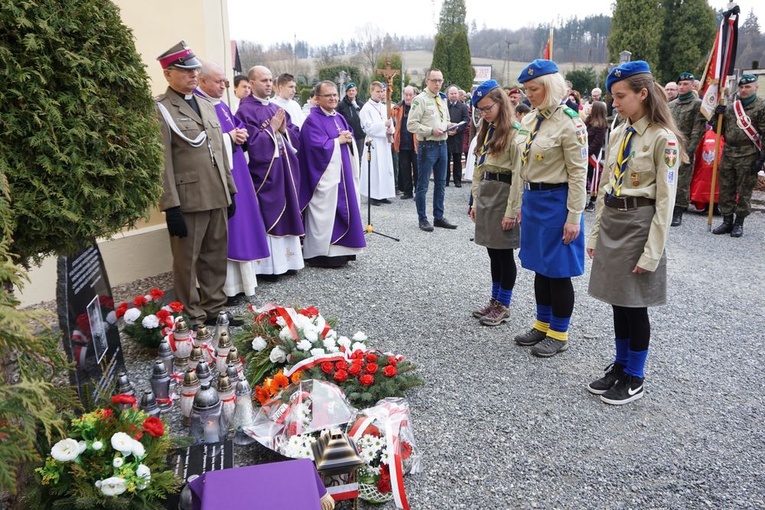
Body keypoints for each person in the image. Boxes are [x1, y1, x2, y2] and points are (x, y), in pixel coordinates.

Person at [586, 61, 681, 405]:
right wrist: (595, 235)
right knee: (617, 300)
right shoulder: (619, 133)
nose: (615, 103)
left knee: (635, 305)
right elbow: (605, 188)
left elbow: (665, 203)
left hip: (640, 226)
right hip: (614, 222)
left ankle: (635, 376)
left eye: (621, 96)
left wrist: (652, 252)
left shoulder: (662, 139)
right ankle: (621, 366)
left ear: (643, 94)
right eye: (612, 96)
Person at [154, 41, 238, 328]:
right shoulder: (161, 109)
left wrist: (230, 189)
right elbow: (162, 161)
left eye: (194, 70)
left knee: (215, 255)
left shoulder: (205, 103)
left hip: (216, 192)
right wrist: (170, 205)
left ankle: (215, 308)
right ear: (168, 74)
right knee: (187, 262)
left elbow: (219, 150)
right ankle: (192, 314)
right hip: (188, 198)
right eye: (185, 71)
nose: (192, 75)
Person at [512, 59, 588, 358]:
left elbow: (578, 174)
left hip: (558, 202)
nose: (530, 94)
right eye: (527, 89)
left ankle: (559, 332)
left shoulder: (571, 122)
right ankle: (541, 324)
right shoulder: (530, 120)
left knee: (558, 271)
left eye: (535, 89)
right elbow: (522, 166)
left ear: (552, 87)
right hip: (534, 201)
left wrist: (574, 217)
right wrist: (519, 203)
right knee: (539, 268)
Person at [196, 62, 270, 303]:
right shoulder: (198, 104)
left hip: (237, 172)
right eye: (218, 81)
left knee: (242, 224)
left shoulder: (221, 105)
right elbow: (199, 141)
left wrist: (241, 134)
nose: (223, 86)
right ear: (202, 81)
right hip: (218, 178)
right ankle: (225, 289)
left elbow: (235, 127)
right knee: (227, 231)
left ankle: (240, 285)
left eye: (224, 81)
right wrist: (230, 137)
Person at [235, 65, 305, 278]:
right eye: (263, 80)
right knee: (268, 213)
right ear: (252, 83)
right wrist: (270, 130)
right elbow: (250, 145)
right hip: (264, 175)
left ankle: (289, 261)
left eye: (269, 80)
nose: (268, 84)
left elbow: (294, 135)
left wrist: (283, 130)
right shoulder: (244, 110)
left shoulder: (276, 108)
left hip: (283, 169)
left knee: (288, 209)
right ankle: (269, 268)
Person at [468, 80, 523, 326]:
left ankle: (504, 304)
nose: (484, 113)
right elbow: (480, 169)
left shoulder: (514, 132)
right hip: (488, 193)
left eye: (487, 108)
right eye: (480, 110)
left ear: (500, 103)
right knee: (492, 252)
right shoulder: (487, 130)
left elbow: (519, 175)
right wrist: (475, 201)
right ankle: (494, 299)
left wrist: (512, 210)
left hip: (503, 194)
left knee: (503, 254)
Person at [298, 81, 366, 267]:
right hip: (324, 178)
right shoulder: (312, 120)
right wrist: (337, 141)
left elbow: (348, 135)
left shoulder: (339, 117)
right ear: (317, 98)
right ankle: (322, 254)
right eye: (328, 95)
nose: (333, 98)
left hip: (342, 175)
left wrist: (348, 139)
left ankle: (344, 251)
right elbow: (315, 148)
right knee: (327, 214)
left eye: (335, 95)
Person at [711, 74, 765, 238]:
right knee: (726, 188)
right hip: (729, 152)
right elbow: (717, 130)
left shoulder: (761, 107)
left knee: (744, 191)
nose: (743, 90)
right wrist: (716, 116)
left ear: (756, 87)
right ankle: (727, 221)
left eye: (747, 87)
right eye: (741, 87)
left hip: (748, 154)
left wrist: (761, 159)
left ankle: (739, 223)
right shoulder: (731, 107)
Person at [407, 68, 458, 232]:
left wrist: (450, 127)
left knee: (441, 183)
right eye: (434, 80)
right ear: (426, 81)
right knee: (422, 185)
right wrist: (430, 131)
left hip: (442, 145)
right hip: (427, 146)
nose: (437, 83)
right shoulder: (420, 100)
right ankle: (422, 219)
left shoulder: (442, 99)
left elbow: (446, 120)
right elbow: (411, 125)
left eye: (440, 80)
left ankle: (438, 216)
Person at [668, 72, 705, 226]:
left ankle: (678, 211)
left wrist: (690, 150)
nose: (682, 87)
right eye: (680, 84)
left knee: (682, 181)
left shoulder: (697, 104)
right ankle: (667, 208)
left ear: (692, 86)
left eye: (685, 84)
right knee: (667, 177)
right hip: (669, 145)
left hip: (685, 146)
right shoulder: (671, 105)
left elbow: (698, 129)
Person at [359, 81, 396, 206]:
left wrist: (391, 129)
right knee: (374, 169)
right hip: (373, 143)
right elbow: (367, 128)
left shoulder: (384, 107)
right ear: (371, 91)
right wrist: (383, 126)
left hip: (384, 143)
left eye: (382, 92)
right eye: (377, 91)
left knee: (385, 168)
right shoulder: (366, 108)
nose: (380, 94)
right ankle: (373, 195)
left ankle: (383, 194)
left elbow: (390, 123)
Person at [392, 86, 419, 199]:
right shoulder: (397, 108)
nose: (408, 97)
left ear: (414, 95)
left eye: (410, 95)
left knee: (418, 169)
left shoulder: (418, 107)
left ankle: (419, 191)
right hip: (403, 143)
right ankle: (407, 192)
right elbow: (390, 119)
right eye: (406, 95)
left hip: (416, 143)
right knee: (405, 169)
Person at [584, 101, 608, 212]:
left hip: (592, 155)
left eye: (592, 106)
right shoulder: (588, 120)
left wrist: (586, 153)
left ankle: (592, 201)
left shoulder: (601, 124)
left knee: (593, 177)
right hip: (584, 153)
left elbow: (597, 143)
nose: (589, 107)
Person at [446, 85, 470, 187]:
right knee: (445, 159)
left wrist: (457, 129)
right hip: (446, 137)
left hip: (457, 137)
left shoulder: (463, 107)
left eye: (455, 93)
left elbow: (466, 120)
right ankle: (445, 180)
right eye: (451, 94)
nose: (453, 95)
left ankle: (457, 180)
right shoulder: (444, 106)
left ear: (458, 95)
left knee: (457, 159)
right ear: (448, 95)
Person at [336, 82, 366, 161]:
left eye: (353, 90)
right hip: (348, 135)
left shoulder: (361, 104)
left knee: (360, 157)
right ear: (346, 92)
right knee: (350, 157)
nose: (351, 92)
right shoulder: (341, 105)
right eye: (349, 91)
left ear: (356, 92)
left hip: (360, 135)